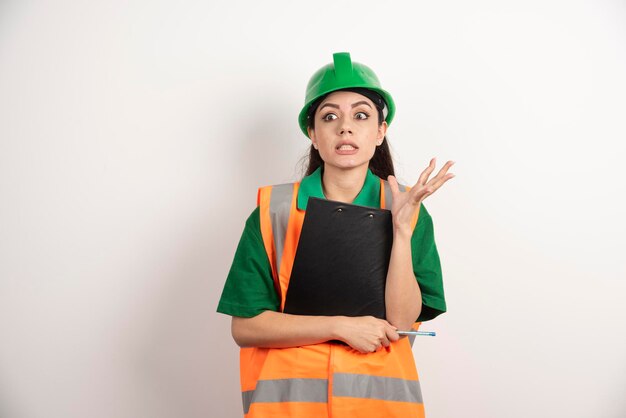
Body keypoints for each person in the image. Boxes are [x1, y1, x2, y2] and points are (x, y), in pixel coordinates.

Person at [217, 52, 454, 418]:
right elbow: (246, 327)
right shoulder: (273, 211)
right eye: (330, 117)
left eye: (361, 115)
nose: (345, 127)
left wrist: (402, 231)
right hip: (289, 407)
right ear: (313, 134)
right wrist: (339, 327)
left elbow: (404, 322)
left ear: (380, 131)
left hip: (378, 407)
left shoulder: (408, 210)